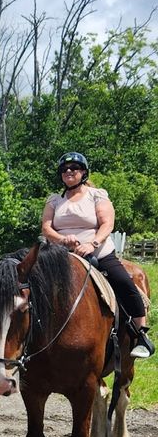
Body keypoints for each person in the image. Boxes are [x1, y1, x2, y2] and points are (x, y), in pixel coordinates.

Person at [41, 151, 153, 358]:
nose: (68, 172)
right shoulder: (54, 200)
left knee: (124, 282)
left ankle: (140, 336)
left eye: (74, 168)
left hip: (97, 252)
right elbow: (46, 229)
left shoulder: (97, 195)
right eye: (64, 169)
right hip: (58, 255)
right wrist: (63, 240)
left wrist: (92, 244)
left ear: (83, 172)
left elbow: (107, 223)